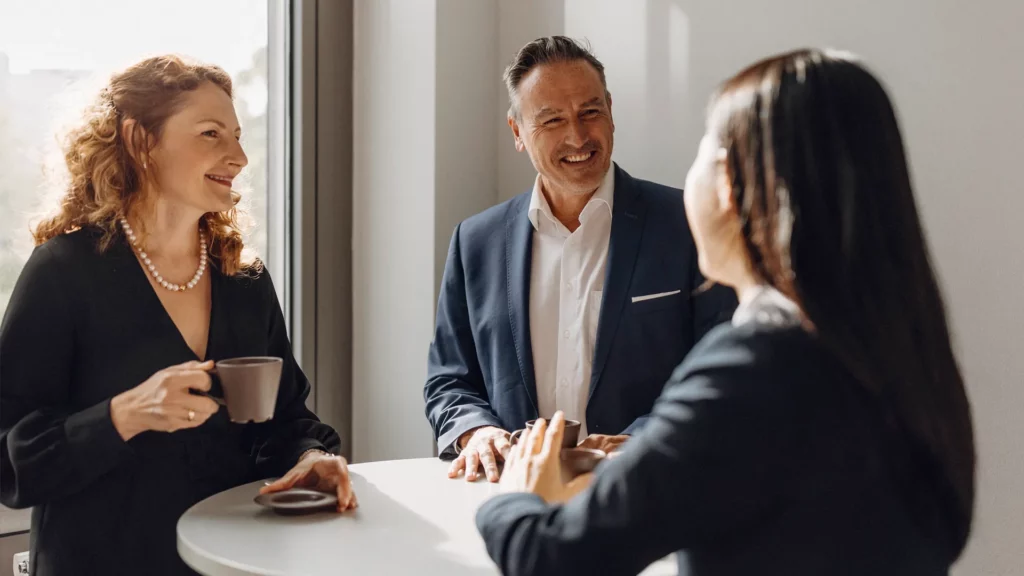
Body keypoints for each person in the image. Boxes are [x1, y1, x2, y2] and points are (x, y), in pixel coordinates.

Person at [475, 48, 976, 575]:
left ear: (735, 185)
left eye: (703, 152)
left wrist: (517, 491)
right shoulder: (902, 345)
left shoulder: (753, 367)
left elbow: (549, 558)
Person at [0, 55, 356, 576]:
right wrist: (122, 415)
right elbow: (10, 458)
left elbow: (285, 420)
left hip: (228, 561)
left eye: (236, 135)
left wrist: (310, 457)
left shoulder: (245, 279)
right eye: (211, 134)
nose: (238, 156)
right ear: (141, 141)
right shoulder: (62, 273)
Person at [424, 36, 736, 482]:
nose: (578, 136)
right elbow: (449, 379)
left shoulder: (688, 225)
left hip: (652, 490)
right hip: (511, 494)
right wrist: (476, 431)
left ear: (610, 110)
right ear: (517, 132)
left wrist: (643, 441)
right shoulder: (475, 240)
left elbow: (720, 369)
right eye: (551, 120)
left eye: (590, 112)